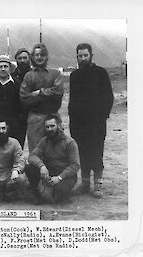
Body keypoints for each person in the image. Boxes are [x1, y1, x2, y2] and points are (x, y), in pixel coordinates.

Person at [69, 43, 114, 198]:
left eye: (85, 55)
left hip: (96, 123)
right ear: (77, 57)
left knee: (96, 153)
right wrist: (72, 122)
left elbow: (109, 97)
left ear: (91, 56)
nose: (83, 58)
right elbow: (72, 101)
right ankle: (85, 184)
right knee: (83, 153)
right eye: (80, 56)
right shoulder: (74, 76)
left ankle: (98, 186)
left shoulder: (101, 73)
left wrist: (102, 116)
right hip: (79, 125)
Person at [25, 114, 80, 204]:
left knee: (59, 194)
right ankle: (38, 195)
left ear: (59, 125)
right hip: (49, 172)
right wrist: (42, 166)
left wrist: (59, 178)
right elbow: (32, 156)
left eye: (52, 126)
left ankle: (59, 194)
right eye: (47, 127)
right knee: (29, 168)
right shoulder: (44, 141)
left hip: (65, 176)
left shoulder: (70, 142)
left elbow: (75, 165)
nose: (50, 129)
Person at [20, 43, 64, 152]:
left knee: (57, 149)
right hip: (35, 118)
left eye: (42, 55)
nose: (39, 58)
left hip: (53, 116)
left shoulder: (55, 74)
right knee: (36, 151)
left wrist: (39, 92)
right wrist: (49, 95)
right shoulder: (28, 76)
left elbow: (58, 92)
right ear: (33, 57)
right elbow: (24, 97)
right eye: (37, 55)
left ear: (47, 57)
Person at [11, 48, 32, 148]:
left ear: (30, 59)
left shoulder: (36, 75)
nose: (22, 60)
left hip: (34, 114)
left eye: (25, 58)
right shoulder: (11, 77)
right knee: (17, 145)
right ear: (16, 60)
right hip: (17, 116)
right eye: (20, 58)